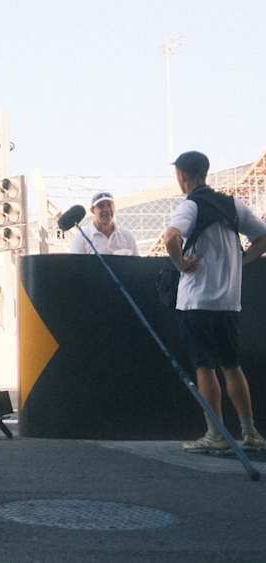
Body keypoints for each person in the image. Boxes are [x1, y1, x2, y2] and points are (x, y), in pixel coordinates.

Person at [163, 151, 266, 453]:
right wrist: (242, 261)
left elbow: (170, 238)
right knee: (232, 366)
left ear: (182, 177)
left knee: (205, 368)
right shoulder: (233, 205)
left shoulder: (190, 205)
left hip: (197, 302)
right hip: (228, 302)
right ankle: (250, 433)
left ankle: (216, 435)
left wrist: (181, 264)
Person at [69, 192, 139, 255]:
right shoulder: (82, 237)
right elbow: (75, 266)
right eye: (101, 206)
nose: (106, 209)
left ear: (114, 207)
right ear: (92, 210)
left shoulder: (127, 236)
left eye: (109, 205)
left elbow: (137, 265)